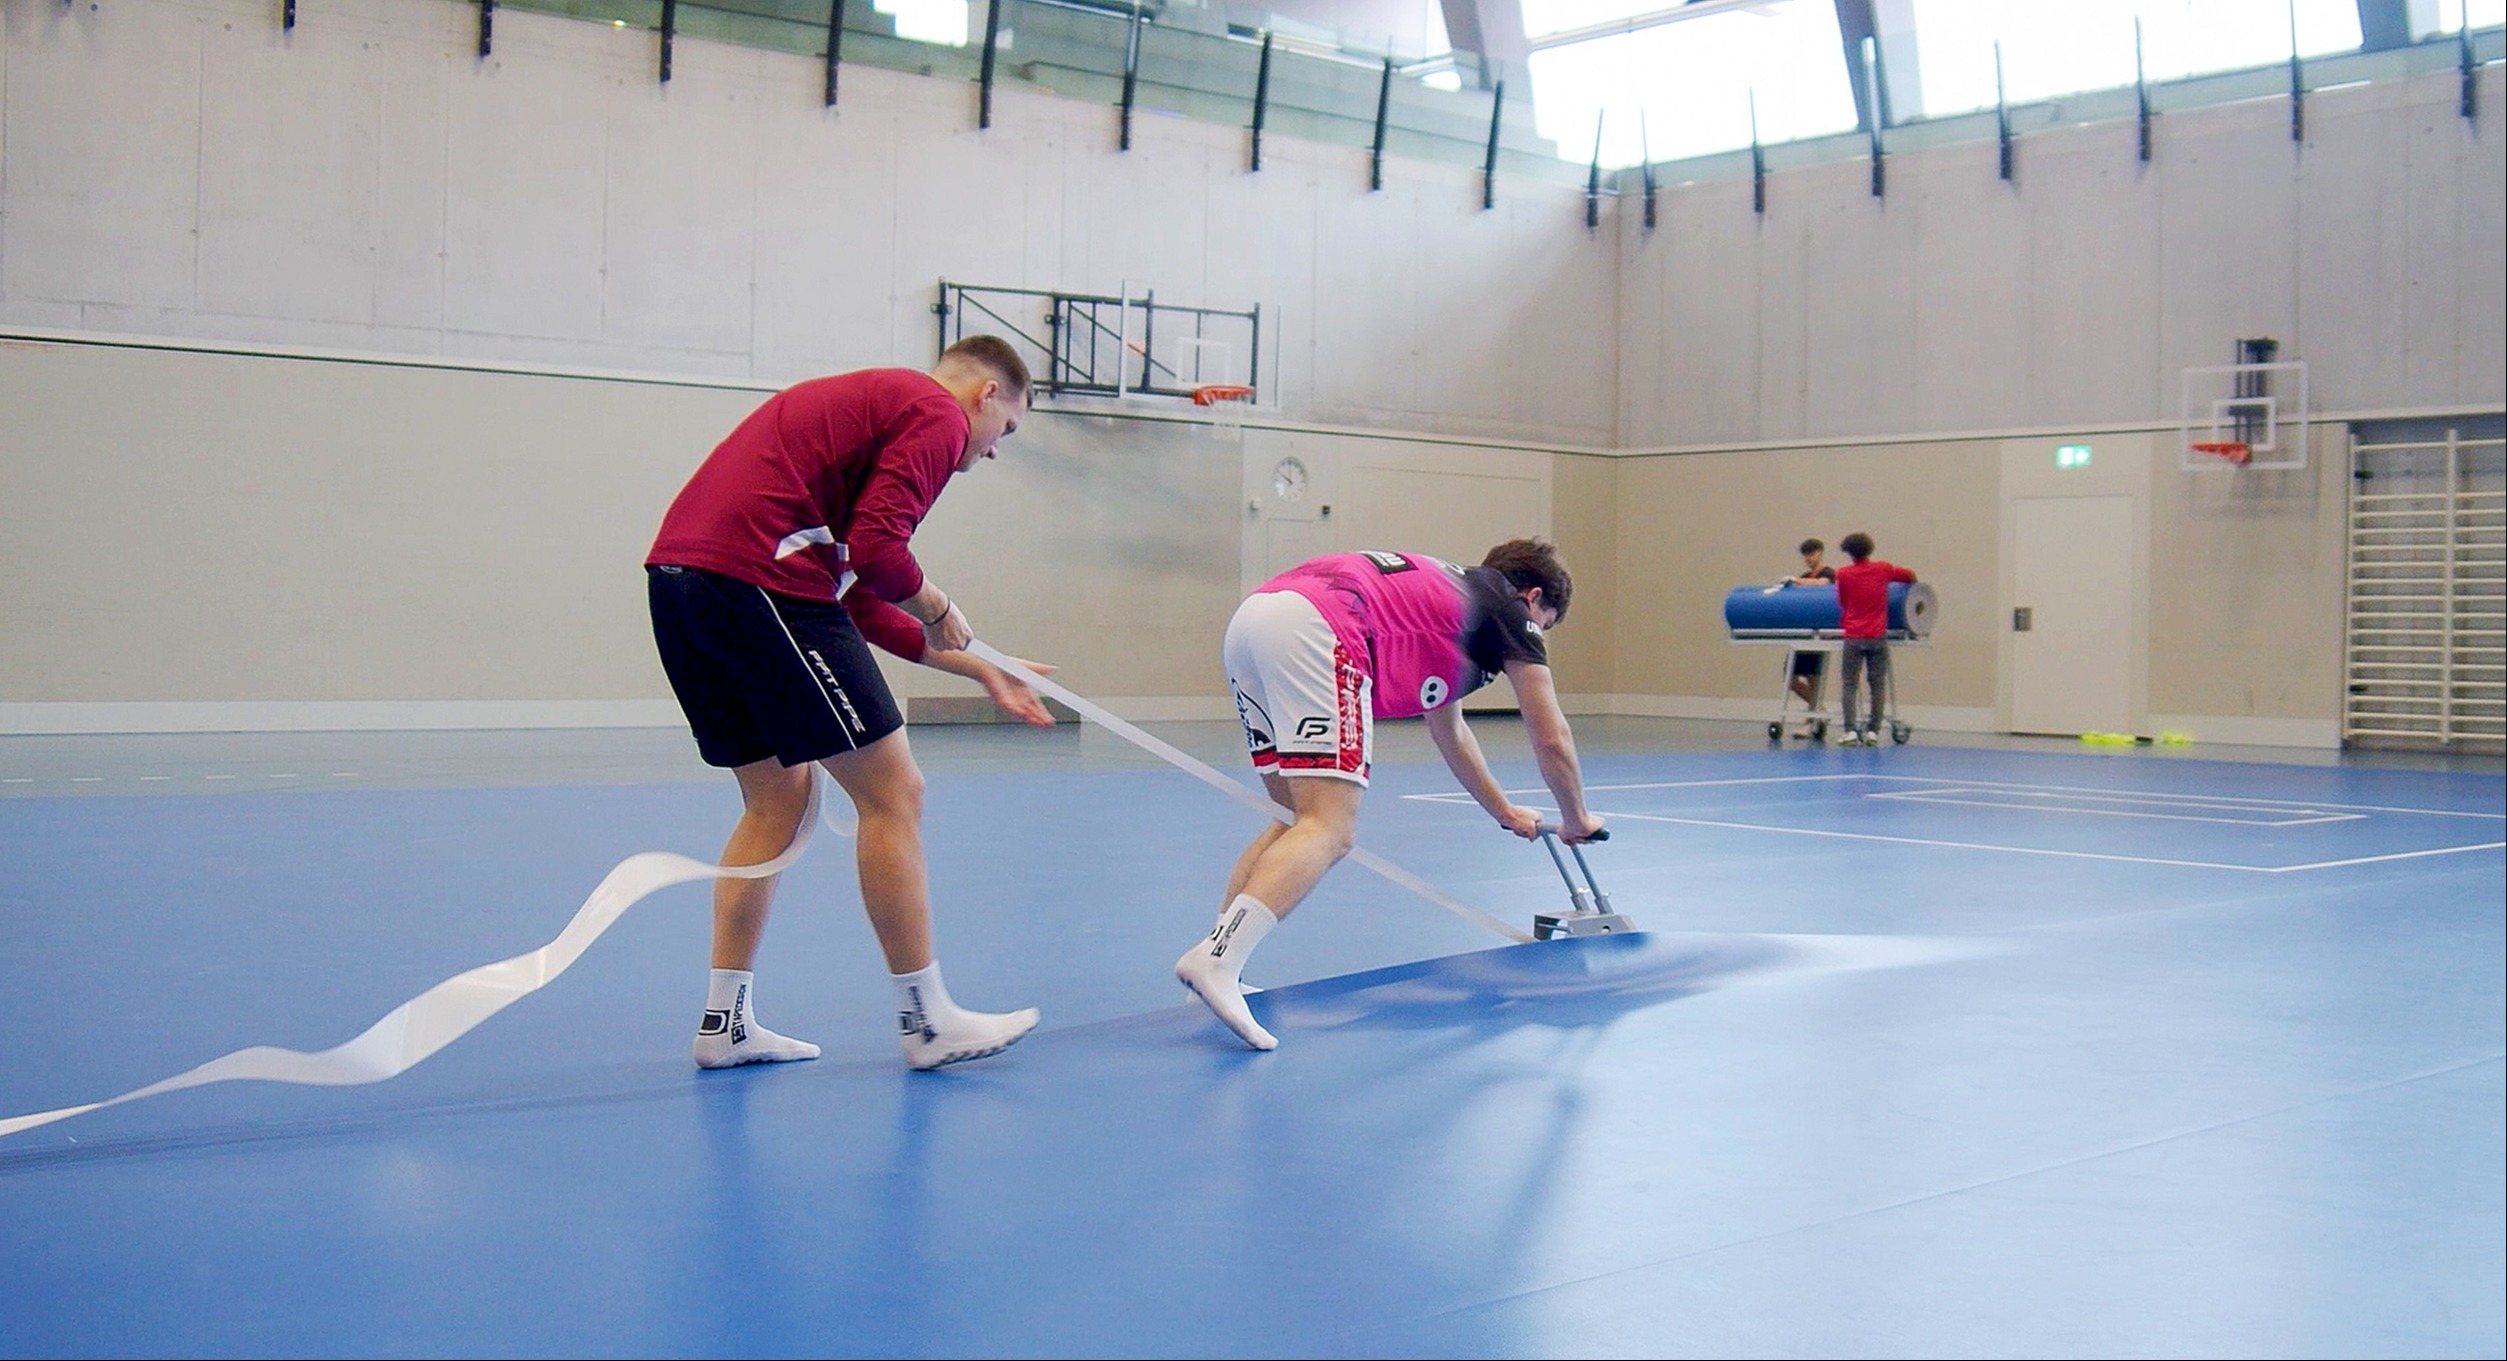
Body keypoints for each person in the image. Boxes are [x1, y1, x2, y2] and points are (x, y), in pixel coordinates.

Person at [645, 335, 1054, 1072]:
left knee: (778, 800)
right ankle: (926, 1021)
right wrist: (938, 603)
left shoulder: (874, 411)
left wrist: (981, 668)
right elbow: (880, 552)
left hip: (682, 581)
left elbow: (860, 601)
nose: (994, 450)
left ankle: (724, 1021)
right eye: (1008, 429)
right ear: (985, 394)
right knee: (893, 791)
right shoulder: (935, 412)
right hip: (758, 580)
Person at [1176, 539, 1607, 1051]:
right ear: (1534, 598)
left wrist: (1503, 810)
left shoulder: (1451, 602)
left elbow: (1452, 732)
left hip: (1256, 620)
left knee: (1294, 819)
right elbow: (1551, 735)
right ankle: (1218, 960)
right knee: (1328, 827)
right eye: (1546, 625)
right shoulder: (1510, 610)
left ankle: (1217, 956)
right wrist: (1575, 816)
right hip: (1322, 627)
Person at [1832, 531, 1917, 747]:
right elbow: (1909, 575)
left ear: (1849, 553)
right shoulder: (1882, 569)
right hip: (1876, 635)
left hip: (1853, 635)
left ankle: (1850, 730)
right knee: (1877, 684)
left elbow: (1842, 601)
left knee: (1850, 683)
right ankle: (1873, 731)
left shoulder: (1843, 574)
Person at [1784, 537, 1835, 707]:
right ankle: (1817, 709)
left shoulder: (1828, 573)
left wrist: (1797, 582)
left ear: (1819, 554)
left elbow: (1822, 584)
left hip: (1819, 633)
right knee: (1789, 677)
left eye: (1811, 554)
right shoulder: (1804, 577)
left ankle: (1812, 717)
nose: (1808, 558)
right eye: (1805, 555)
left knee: (1813, 677)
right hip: (1803, 634)